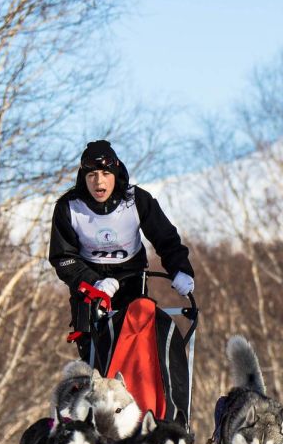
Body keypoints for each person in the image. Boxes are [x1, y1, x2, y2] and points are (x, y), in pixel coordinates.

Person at [49, 139, 195, 371]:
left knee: (135, 356)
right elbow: (62, 257)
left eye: (105, 173)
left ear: (116, 173)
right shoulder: (69, 207)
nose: (99, 181)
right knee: (96, 363)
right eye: (92, 175)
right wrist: (94, 282)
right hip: (90, 291)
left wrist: (181, 270)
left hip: (131, 284)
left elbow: (166, 239)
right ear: (83, 178)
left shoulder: (137, 201)